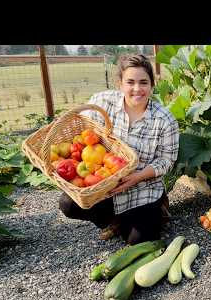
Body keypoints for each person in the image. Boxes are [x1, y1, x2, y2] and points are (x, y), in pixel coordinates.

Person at [58, 54, 180, 245]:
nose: (137, 89)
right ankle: (114, 221)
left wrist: (136, 178)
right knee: (68, 204)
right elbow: (79, 129)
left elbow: (167, 160)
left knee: (137, 241)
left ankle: (157, 210)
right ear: (120, 84)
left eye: (143, 82)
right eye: (130, 82)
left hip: (143, 188)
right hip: (104, 184)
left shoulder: (165, 120)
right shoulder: (102, 102)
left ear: (152, 85)